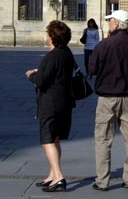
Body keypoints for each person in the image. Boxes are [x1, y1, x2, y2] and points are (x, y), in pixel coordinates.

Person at [88, 10, 128, 191]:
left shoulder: (103, 45)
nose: (109, 24)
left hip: (107, 98)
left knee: (103, 139)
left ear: (116, 24)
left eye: (110, 21)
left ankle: (102, 180)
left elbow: (92, 68)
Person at [25, 20, 75, 193]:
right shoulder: (67, 53)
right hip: (64, 102)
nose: (46, 36)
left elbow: (41, 81)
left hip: (50, 104)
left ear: (52, 37)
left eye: (48, 33)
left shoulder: (52, 56)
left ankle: (59, 177)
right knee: (55, 139)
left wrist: (32, 75)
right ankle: (52, 174)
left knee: (47, 140)